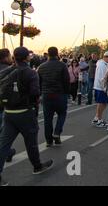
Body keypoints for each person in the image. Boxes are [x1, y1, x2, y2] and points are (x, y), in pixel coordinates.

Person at [0, 47, 54, 186]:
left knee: (4, 144)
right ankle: (37, 166)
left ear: (14, 57)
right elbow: (35, 93)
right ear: (27, 58)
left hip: (8, 112)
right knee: (31, 142)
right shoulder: (30, 73)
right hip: (25, 112)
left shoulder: (9, 70)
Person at [37, 47, 70, 147]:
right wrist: (66, 93)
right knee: (62, 114)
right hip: (60, 94)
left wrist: (41, 93)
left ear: (48, 54)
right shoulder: (62, 66)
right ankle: (57, 132)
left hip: (46, 95)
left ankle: (48, 140)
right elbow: (66, 81)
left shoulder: (41, 67)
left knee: (48, 118)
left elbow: (39, 82)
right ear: (57, 54)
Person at [0, 49, 16, 163]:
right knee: (3, 134)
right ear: (5, 57)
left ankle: (8, 152)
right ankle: (7, 152)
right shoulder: (9, 70)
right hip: (3, 105)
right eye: (10, 55)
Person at [92, 51, 108, 128]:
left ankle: (97, 117)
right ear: (106, 57)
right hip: (101, 87)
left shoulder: (103, 64)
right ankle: (99, 119)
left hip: (101, 87)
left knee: (104, 103)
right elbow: (102, 78)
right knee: (101, 103)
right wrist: (104, 88)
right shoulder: (102, 65)